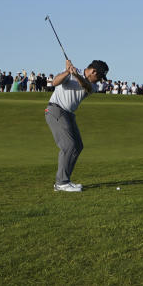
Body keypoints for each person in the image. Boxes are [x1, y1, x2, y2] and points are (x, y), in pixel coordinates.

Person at [44, 59, 109, 192]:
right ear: (93, 71)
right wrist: (68, 72)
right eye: (99, 76)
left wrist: (76, 75)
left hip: (68, 114)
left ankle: (65, 180)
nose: (99, 80)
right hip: (56, 110)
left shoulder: (93, 85)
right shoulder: (71, 72)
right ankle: (61, 183)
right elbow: (55, 82)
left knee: (78, 146)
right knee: (69, 146)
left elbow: (86, 86)